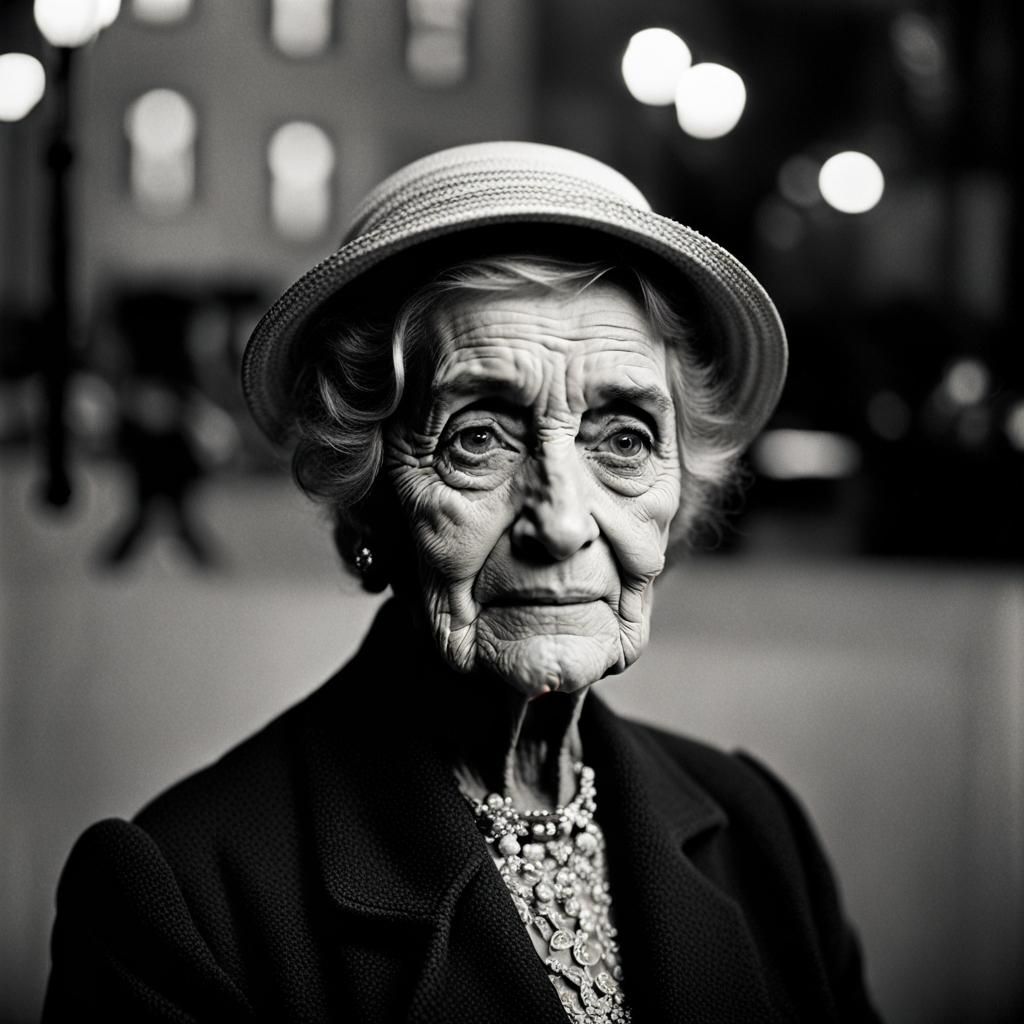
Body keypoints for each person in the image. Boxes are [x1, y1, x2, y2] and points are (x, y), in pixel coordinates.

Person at [43, 142, 881, 1022]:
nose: (560, 520)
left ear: (681, 488)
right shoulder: (180, 901)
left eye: (624, 440)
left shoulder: (760, 830)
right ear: (367, 500)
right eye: (478, 438)